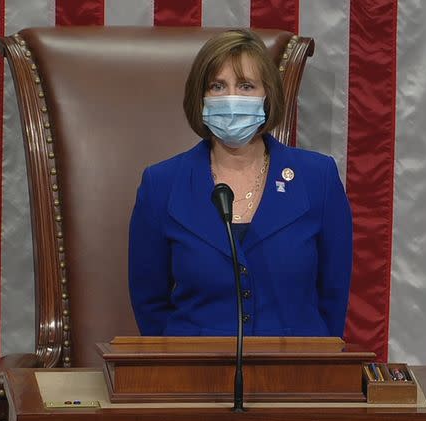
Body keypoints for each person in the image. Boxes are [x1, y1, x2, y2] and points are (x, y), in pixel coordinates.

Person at [128, 29, 352, 337]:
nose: (232, 98)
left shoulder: (318, 178)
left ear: (267, 96)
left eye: (246, 86)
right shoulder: (161, 184)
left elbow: (333, 295)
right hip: (194, 372)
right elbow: (149, 302)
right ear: (201, 98)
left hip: (295, 373)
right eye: (218, 86)